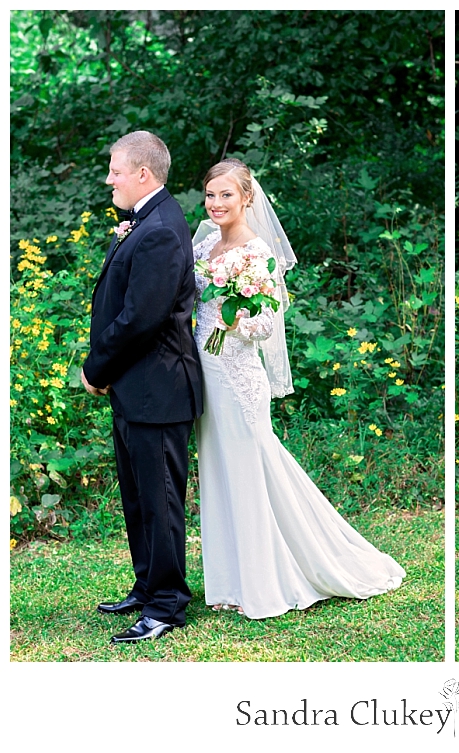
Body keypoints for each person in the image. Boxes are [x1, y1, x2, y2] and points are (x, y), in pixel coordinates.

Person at [192, 159, 405, 619]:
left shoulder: (258, 251)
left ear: (247, 198)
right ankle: (228, 582)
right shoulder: (206, 244)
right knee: (217, 470)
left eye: (226, 194)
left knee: (252, 467)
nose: (216, 203)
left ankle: (265, 581)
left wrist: (241, 318)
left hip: (238, 374)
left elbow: (269, 321)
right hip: (204, 372)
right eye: (210, 195)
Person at [82, 131, 203, 643]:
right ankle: (147, 585)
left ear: (142, 175)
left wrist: (96, 367)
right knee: (137, 498)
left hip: (158, 387)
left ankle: (167, 604)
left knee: (160, 501)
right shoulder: (150, 219)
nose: (109, 179)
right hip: (139, 386)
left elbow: (140, 319)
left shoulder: (159, 229)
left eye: (115, 170)